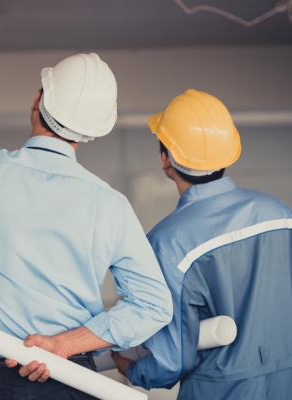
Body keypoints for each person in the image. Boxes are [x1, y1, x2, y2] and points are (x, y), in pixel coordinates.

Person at [0, 54, 173, 399]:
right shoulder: (109, 205)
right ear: (91, 133)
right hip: (74, 382)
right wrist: (63, 345)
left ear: (37, 100)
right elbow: (153, 304)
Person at [112, 89, 292, 400]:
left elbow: (172, 359)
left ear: (165, 158)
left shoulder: (167, 243)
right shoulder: (279, 213)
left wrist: (131, 370)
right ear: (230, 151)